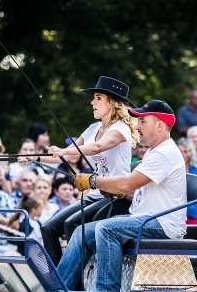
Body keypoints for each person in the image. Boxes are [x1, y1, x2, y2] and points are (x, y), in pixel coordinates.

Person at [58, 98, 187, 292]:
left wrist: (93, 181)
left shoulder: (164, 153)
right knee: (81, 232)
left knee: (106, 228)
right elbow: (135, 191)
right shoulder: (155, 152)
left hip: (162, 224)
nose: (138, 125)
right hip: (145, 218)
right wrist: (117, 192)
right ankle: (58, 291)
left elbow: (128, 183)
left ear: (159, 125)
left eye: (143, 121)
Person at [22, 76, 138, 266]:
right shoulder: (93, 128)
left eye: (98, 97)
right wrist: (34, 157)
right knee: (49, 229)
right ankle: (58, 280)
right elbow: (64, 156)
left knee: (71, 224)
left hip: (114, 196)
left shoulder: (121, 129)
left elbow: (97, 147)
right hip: (95, 195)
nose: (92, 102)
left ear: (113, 102)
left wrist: (65, 150)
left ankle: (76, 284)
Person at [177, 137, 197, 224]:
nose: (182, 154)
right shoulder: (170, 171)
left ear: (190, 153)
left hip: (193, 214)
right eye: (179, 151)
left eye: (185, 152)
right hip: (174, 214)